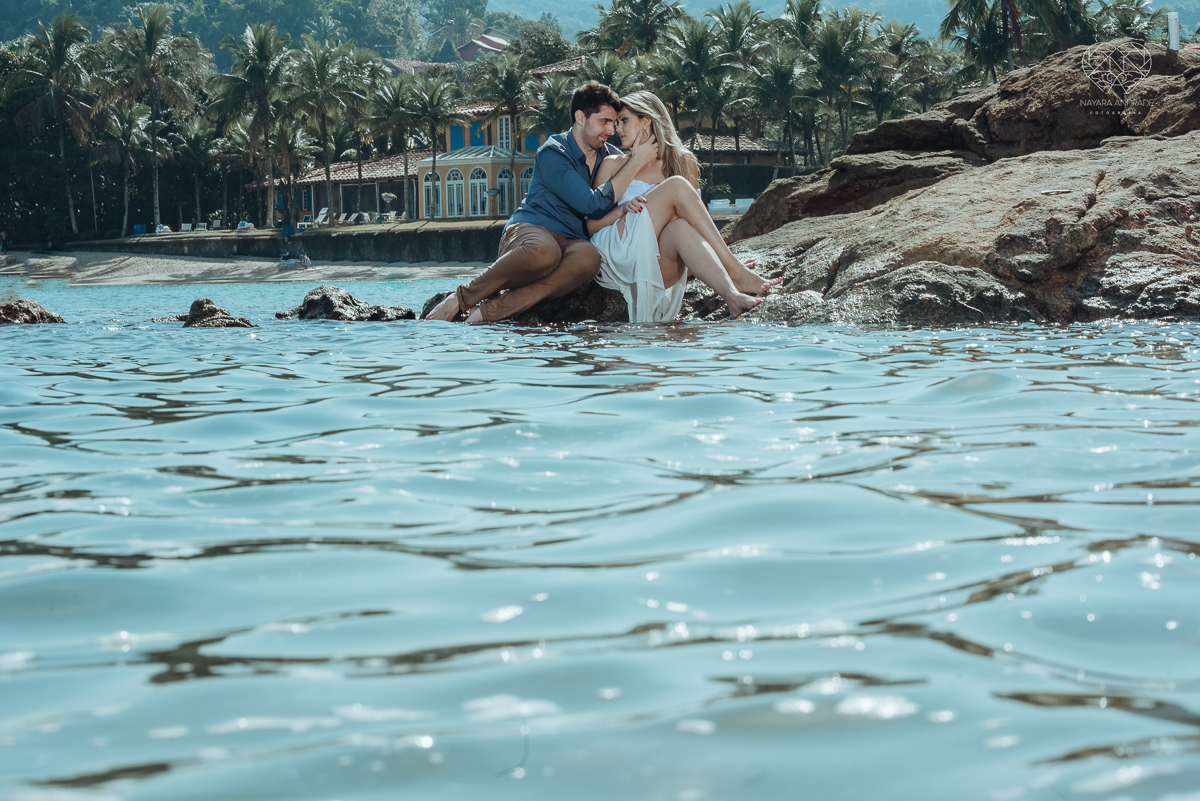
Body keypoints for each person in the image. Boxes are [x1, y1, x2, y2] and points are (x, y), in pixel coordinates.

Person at [425, 81, 660, 323]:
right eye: (604, 121)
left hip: (572, 243)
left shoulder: (612, 157)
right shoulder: (554, 152)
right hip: (530, 232)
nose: (611, 130)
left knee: (590, 258)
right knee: (545, 251)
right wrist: (635, 163)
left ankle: (490, 311)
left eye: (614, 122)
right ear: (581, 117)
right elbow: (592, 206)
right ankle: (459, 298)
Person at [588, 91, 780, 322]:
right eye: (617, 122)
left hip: (656, 264)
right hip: (618, 253)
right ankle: (735, 270)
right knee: (676, 185)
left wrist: (703, 261)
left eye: (624, 120)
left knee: (680, 227)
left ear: (647, 121)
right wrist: (623, 208)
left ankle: (732, 295)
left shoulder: (683, 161)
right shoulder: (612, 164)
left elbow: (695, 223)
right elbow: (592, 227)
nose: (617, 129)